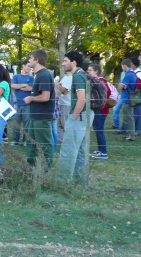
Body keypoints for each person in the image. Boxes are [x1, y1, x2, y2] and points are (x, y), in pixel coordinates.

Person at [57, 51, 94, 184]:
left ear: (74, 62)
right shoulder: (84, 74)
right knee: (81, 150)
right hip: (86, 115)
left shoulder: (78, 77)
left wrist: (72, 118)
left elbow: (81, 99)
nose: (63, 64)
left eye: (65, 61)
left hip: (79, 116)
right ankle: (81, 181)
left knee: (68, 149)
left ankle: (63, 182)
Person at [23, 50, 54, 167]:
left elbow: (45, 97)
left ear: (37, 60)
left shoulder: (45, 75)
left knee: (44, 144)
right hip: (35, 116)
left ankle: (46, 171)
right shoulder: (39, 75)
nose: (29, 60)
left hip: (42, 116)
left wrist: (30, 98)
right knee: (31, 143)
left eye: (30, 58)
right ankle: (31, 169)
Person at [87, 64, 111, 159]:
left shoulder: (101, 81)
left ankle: (104, 152)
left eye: (90, 70)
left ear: (96, 71)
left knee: (99, 130)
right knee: (97, 130)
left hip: (101, 110)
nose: (88, 72)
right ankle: (100, 150)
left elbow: (107, 93)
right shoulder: (95, 81)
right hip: (98, 109)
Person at [10, 60, 34, 146]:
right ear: (23, 66)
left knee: (26, 123)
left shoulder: (31, 78)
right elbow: (12, 86)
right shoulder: (16, 76)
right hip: (17, 104)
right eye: (27, 66)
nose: (29, 68)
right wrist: (24, 85)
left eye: (30, 67)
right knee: (16, 123)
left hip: (27, 104)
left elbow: (31, 88)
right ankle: (15, 140)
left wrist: (19, 86)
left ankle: (25, 140)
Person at [119, 59, 137, 142]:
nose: (122, 68)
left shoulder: (128, 75)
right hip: (130, 99)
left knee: (128, 118)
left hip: (128, 100)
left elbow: (120, 87)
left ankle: (130, 136)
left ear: (124, 65)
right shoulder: (133, 73)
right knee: (129, 117)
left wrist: (122, 85)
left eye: (122, 66)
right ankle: (130, 135)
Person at [47, 66, 61, 153]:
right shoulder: (56, 84)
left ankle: (52, 150)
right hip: (56, 111)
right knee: (54, 131)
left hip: (51, 110)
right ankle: (54, 149)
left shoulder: (52, 83)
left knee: (51, 131)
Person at [58, 67, 73, 140]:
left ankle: (69, 142)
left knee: (65, 125)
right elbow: (60, 89)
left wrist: (57, 85)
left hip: (66, 104)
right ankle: (65, 141)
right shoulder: (65, 76)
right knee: (57, 126)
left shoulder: (71, 78)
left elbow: (61, 89)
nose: (63, 65)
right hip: (60, 103)